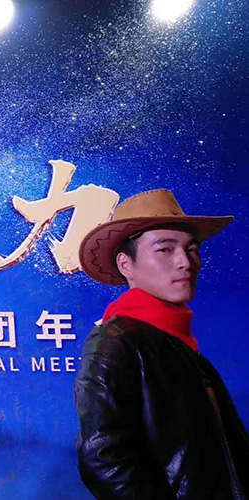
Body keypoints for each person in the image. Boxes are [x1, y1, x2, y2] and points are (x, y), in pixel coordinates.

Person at [76, 188, 249, 498]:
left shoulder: (178, 343)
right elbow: (103, 459)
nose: (186, 262)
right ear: (125, 264)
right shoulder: (116, 341)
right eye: (165, 249)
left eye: (192, 249)